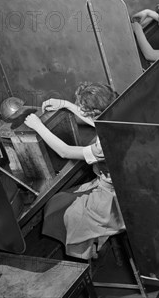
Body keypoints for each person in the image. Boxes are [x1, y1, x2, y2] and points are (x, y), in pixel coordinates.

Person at [24, 82, 125, 260]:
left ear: (91, 112)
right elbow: (97, 121)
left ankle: (84, 256)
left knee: (66, 215)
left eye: (82, 108)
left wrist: (38, 126)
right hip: (123, 185)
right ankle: (92, 243)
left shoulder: (103, 145)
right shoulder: (119, 114)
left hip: (115, 202)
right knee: (59, 201)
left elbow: (65, 151)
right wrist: (65, 104)